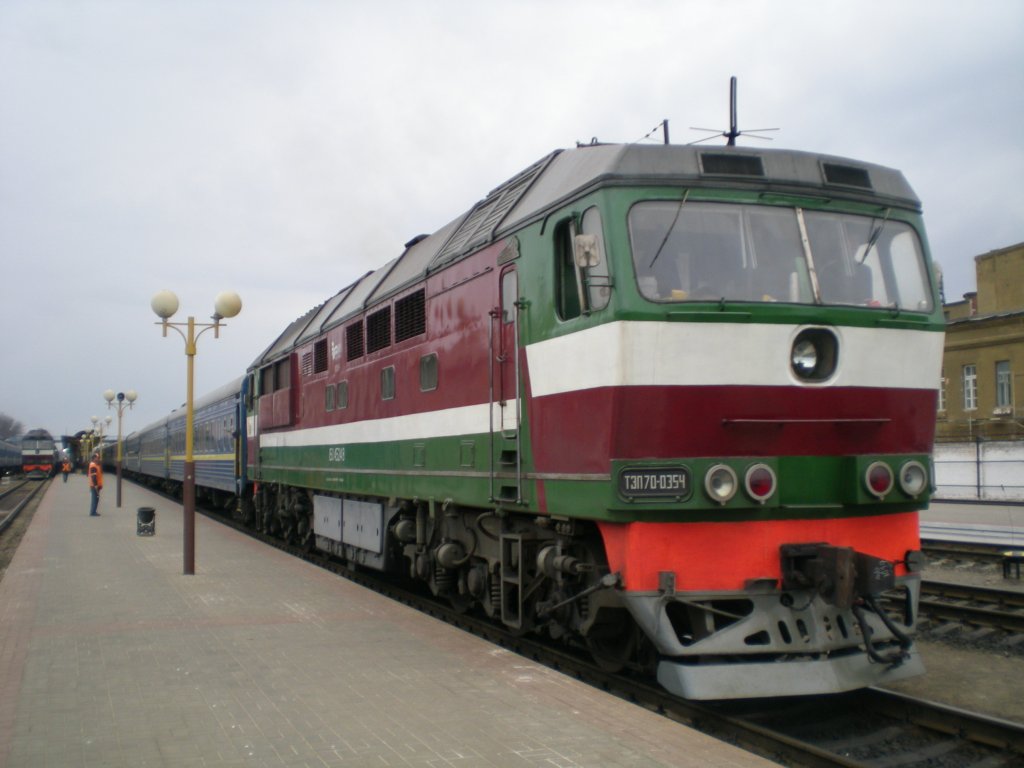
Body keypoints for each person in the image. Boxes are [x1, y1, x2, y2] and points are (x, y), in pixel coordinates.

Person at [88, 452, 103, 516]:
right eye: (97, 458)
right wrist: (96, 485)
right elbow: (94, 477)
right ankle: (92, 512)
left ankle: (94, 511)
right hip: (94, 486)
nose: (98, 459)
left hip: (96, 485)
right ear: (94, 458)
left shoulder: (96, 465)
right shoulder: (93, 466)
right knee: (95, 499)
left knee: (96, 499)